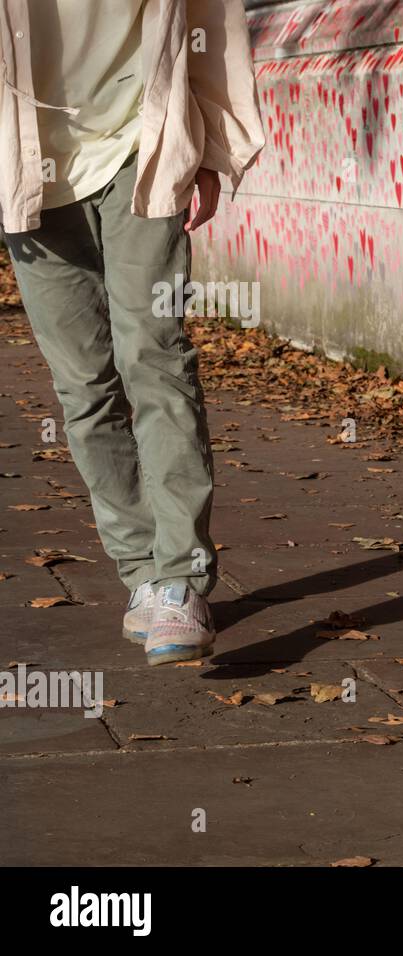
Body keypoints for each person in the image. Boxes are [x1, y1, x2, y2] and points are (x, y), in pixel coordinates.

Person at [0, 1, 264, 663]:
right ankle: (142, 573)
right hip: (25, 166)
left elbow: (211, 25)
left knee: (154, 352)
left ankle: (179, 581)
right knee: (83, 385)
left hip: (138, 147)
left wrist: (210, 145)